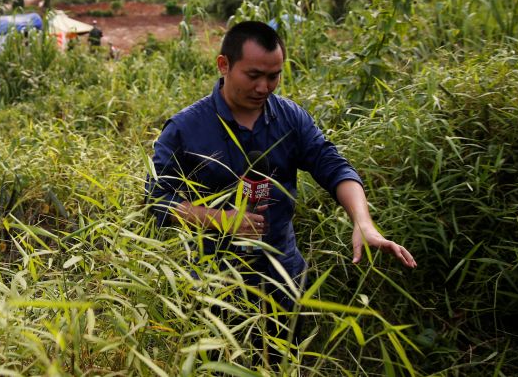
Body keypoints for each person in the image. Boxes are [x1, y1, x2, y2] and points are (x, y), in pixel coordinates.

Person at [146, 21, 415, 311]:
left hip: (284, 270)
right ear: (223, 65)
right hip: (213, 278)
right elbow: (158, 199)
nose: (263, 87)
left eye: (273, 76)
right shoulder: (185, 128)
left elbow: (333, 166)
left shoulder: (290, 118)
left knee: (288, 351)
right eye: (253, 75)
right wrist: (219, 219)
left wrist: (363, 222)